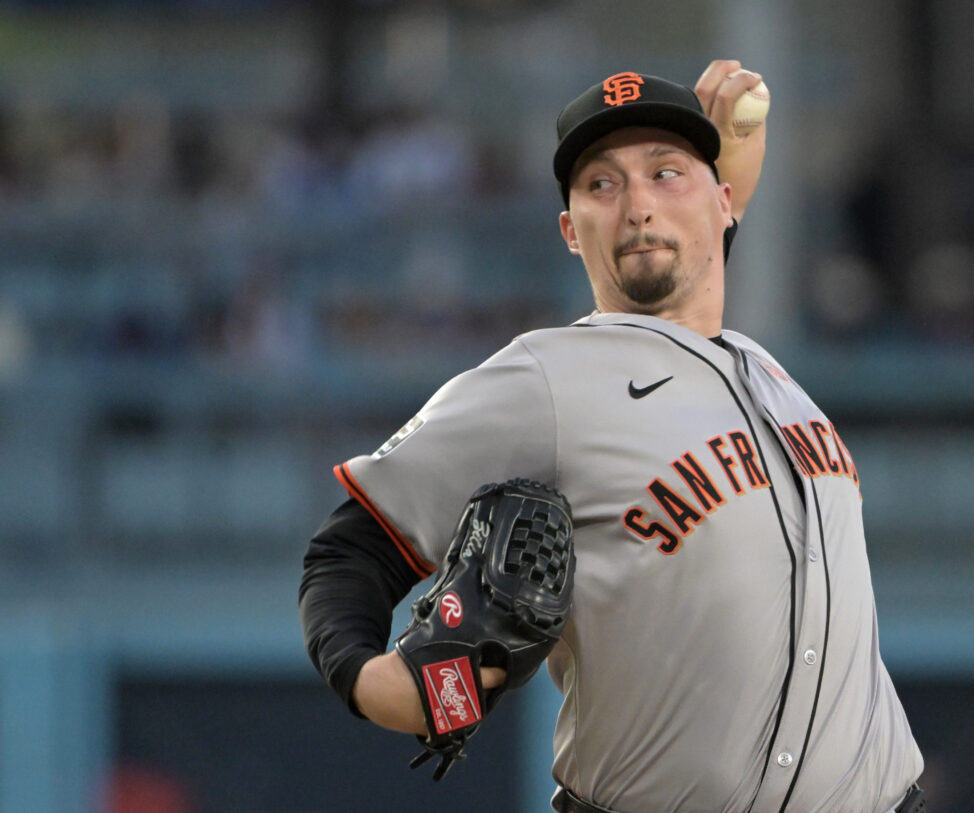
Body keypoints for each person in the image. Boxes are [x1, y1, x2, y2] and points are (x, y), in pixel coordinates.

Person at [299, 59, 925, 813]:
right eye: (602, 184)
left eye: (666, 173)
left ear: (725, 200)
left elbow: (689, 283)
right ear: (570, 229)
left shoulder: (766, 372)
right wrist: (371, 682)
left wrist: (722, 176)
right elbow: (349, 548)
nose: (636, 206)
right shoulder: (548, 378)